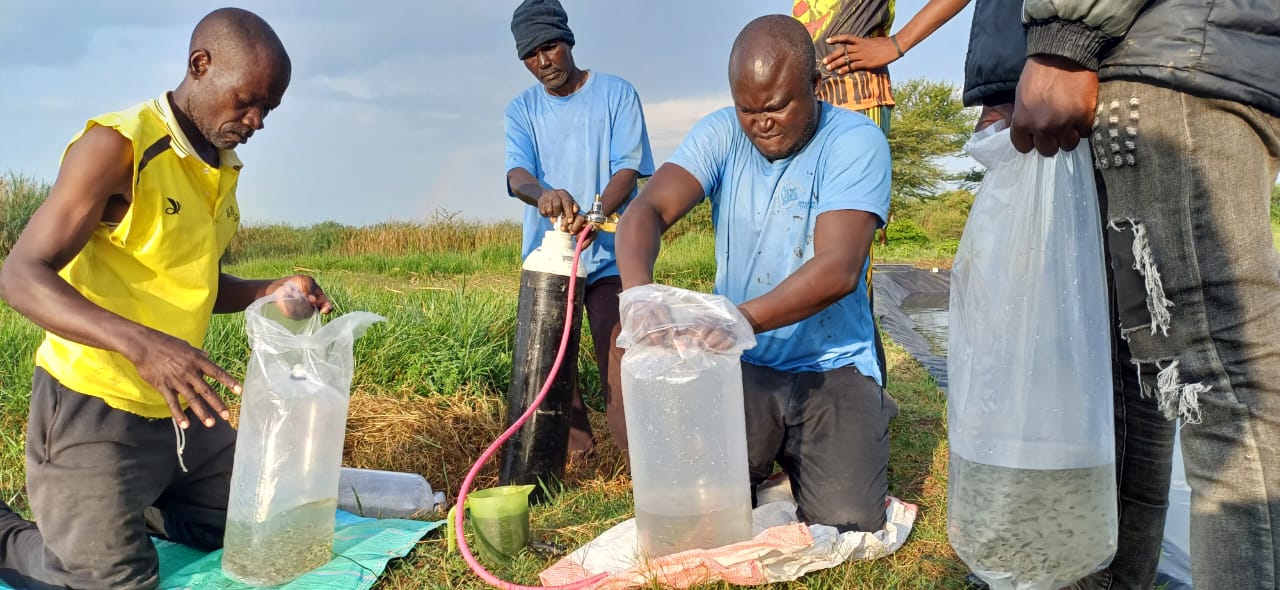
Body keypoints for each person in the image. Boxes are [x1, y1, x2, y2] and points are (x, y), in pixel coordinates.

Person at [0, 8, 332, 589]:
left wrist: (269, 291)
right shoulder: (118, 146)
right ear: (200, 66)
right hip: (92, 406)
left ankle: (128, 504)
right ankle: (29, 533)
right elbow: (20, 276)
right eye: (246, 101)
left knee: (259, 524)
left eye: (268, 109)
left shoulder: (219, 166)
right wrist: (146, 348)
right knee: (103, 581)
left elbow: (198, 283)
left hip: (181, 412)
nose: (256, 121)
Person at [964, 0, 1280, 588]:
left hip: (1158, 62)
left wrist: (1064, 36)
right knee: (1138, 377)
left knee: (1221, 390)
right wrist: (1007, 75)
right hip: (1164, 60)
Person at [617, 14, 897, 532]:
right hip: (741, 364)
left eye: (777, 106)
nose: (761, 122)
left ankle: (856, 422)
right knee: (697, 507)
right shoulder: (722, 134)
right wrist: (638, 294)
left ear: (815, 86)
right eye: (748, 109)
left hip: (831, 366)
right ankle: (777, 451)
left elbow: (838, 269)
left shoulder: (855, 141)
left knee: (846, 520)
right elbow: (646, 211)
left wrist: (733, 318)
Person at [505, 0, 654, 459]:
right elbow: (518, 175)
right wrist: (544, 196)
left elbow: (628, 170)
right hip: (551, 260)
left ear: (567, 41)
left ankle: (641, 465)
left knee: (620, 358)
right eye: (530, 55)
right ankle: (577, 460)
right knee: (551, 362)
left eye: (549, 48)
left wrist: (592, 215)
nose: (542, 62)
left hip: (608, 255)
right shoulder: (522, 109)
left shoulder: (616, 94)